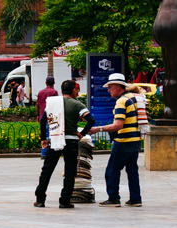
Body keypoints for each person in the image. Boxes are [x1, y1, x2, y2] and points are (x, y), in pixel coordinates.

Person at [91, 73, 147, 207]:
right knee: (132, 170)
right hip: (135, 140)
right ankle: (135, 198)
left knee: (112, 170)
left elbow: (118, 125)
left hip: (124, 140)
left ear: (117, 87)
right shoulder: (132, 98)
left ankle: (113, 198)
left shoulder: (121, 101)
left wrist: (98, 129)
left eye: (110, 87)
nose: (108, 90)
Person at [34, 78, 85, 209]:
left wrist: (44, 138)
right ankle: (65, 200)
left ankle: (40, 199)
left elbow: (42, 120)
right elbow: (91, 120)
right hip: (71, 141)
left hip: (55, 139)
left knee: (47, 169)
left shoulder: (53, 103)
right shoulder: (77, 104)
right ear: (73, 90)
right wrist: (82, 133)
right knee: (69, 171)